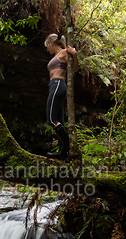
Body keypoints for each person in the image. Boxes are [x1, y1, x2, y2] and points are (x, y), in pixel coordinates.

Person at [44, 33, 79, 161]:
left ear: (52, 42)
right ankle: (63, 152)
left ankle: (71, 147)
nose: (47, 49)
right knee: (59, 120)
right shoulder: (57, 55)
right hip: (54, 86)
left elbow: (75, 69)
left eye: (47, 46)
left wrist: (74, 54)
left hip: (58, 84)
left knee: (51, 120)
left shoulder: (64, 52)